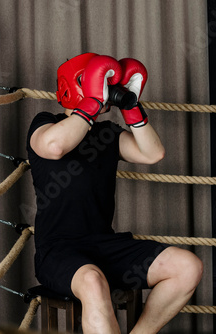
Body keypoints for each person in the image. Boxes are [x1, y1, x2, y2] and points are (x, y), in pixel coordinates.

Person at [26, 53, 203, 334]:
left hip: (105, 246)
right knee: (93, 282)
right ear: (76, 86)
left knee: (187, 267)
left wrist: (132, 107)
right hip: (59, 251)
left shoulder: (107, 133)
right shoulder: (45, 123)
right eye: (98, 81)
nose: (106, 89)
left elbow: (152, 153)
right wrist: (92, 103)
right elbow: (54, 146)